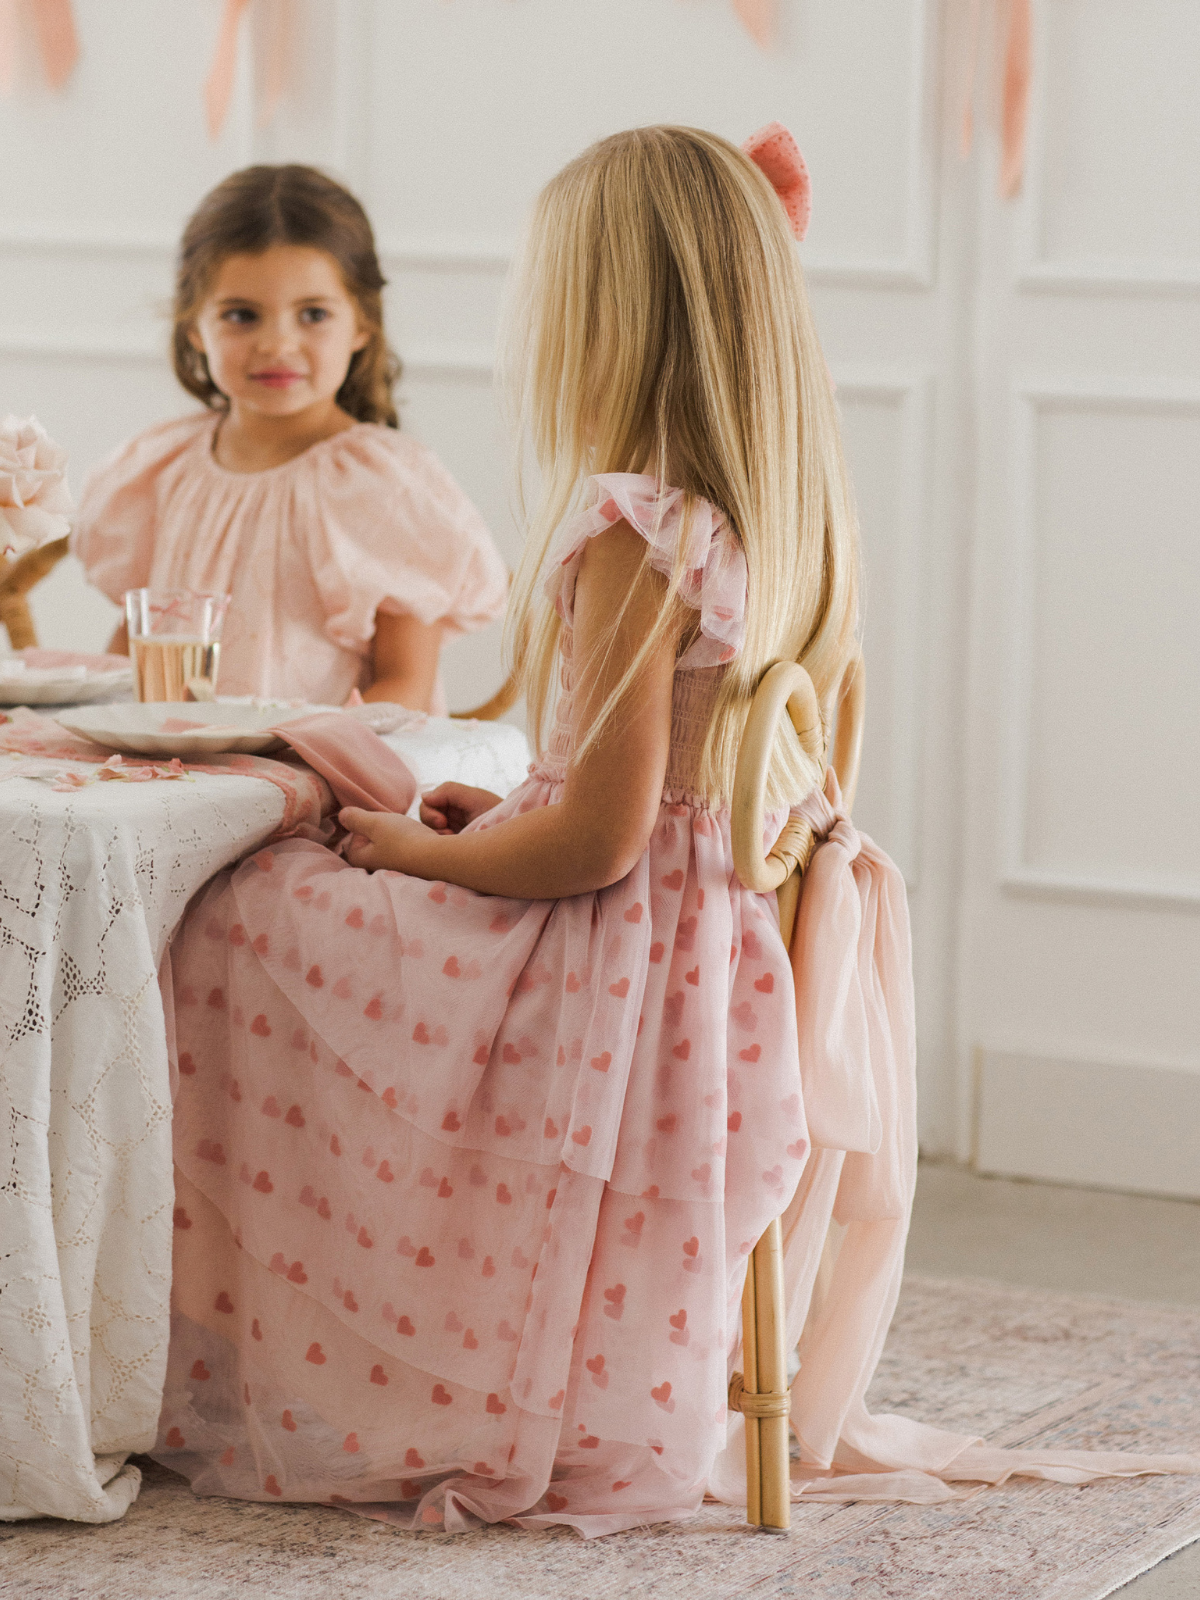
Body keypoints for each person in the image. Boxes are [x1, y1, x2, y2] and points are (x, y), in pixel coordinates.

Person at [153, 126, 1196, 1537]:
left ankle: (257, 1349)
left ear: (606, 316)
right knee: (291, 891)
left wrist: (428, 853)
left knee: (232, 912)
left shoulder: (631, 528)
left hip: (619, 971)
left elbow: (595, 847)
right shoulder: (771, 507)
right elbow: (650, 793)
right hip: (712, 947)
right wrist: (498, 811)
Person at [71, 165, 507, 711]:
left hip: (329, 783)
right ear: (192, 327)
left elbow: (407, 688)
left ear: (362, 325)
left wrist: (307, 763)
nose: (278, 344)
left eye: (314, 314)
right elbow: (132, 659)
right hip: (183, 778)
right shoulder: (161, 469)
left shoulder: (382, 485)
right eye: (241, 315)